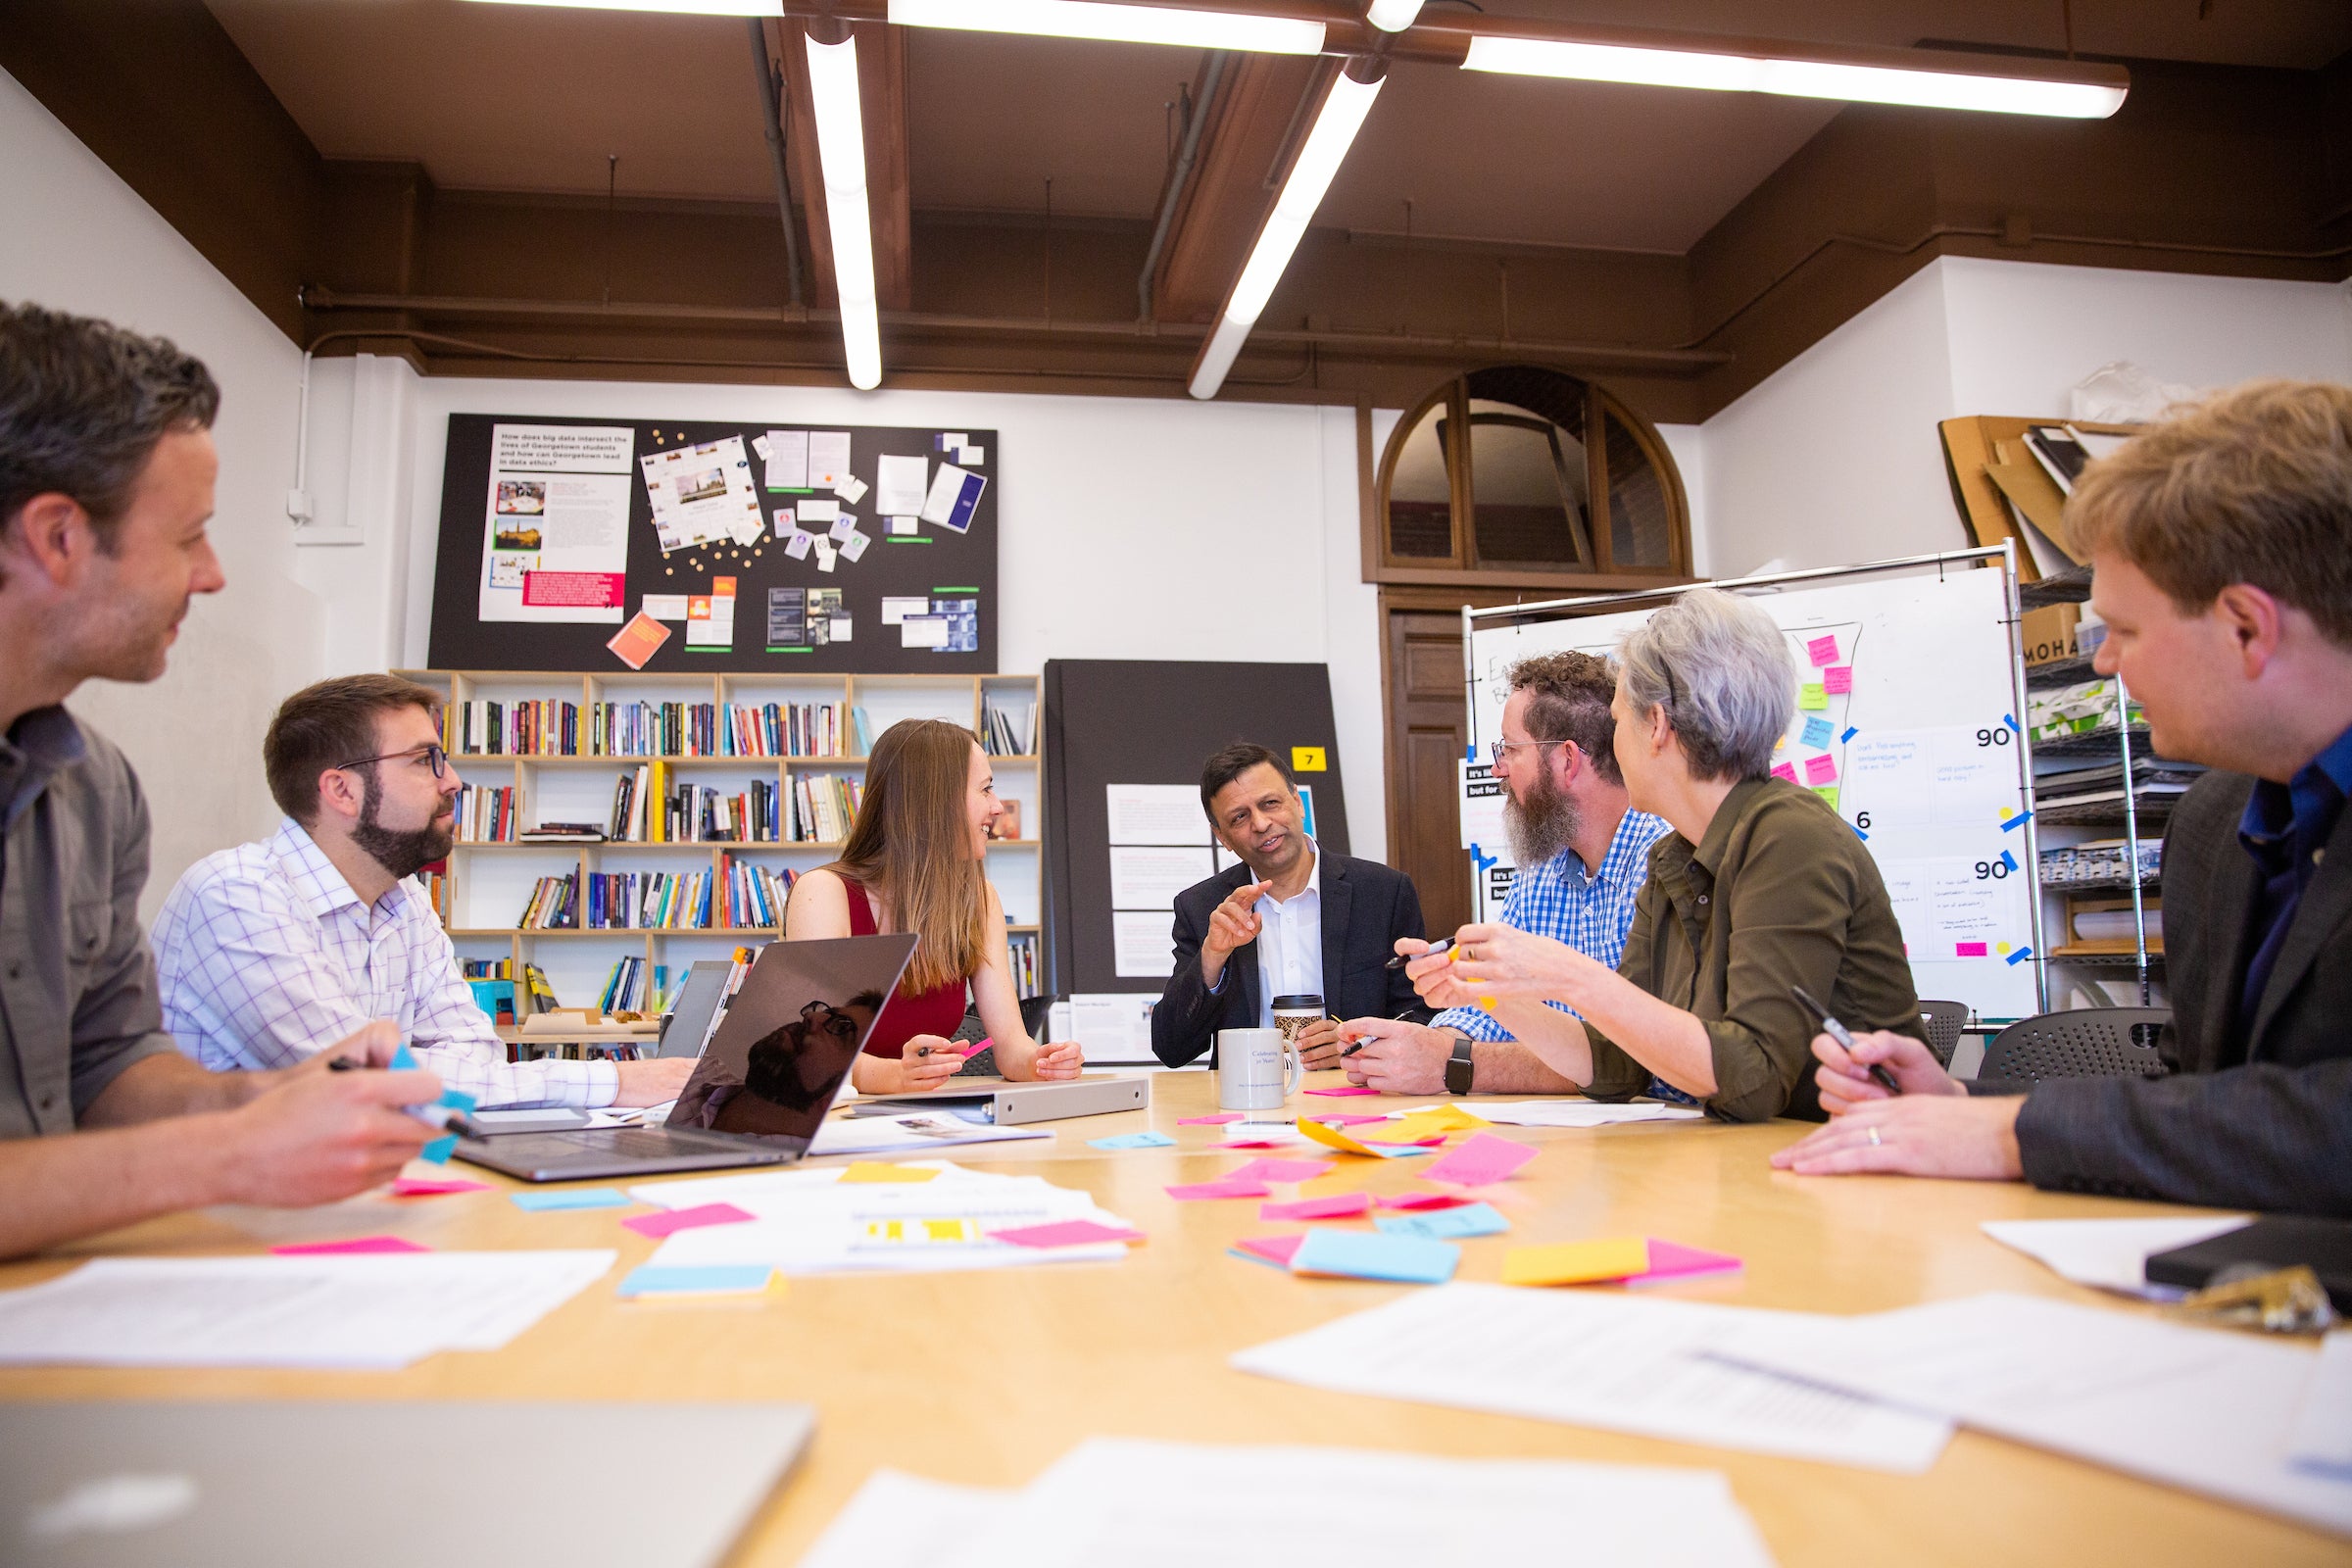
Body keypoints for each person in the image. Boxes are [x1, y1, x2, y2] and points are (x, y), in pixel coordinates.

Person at [1775, 380, 2352, 1213]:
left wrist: (2015, 1134)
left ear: (2246, 628)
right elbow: (2198, 1101)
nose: (2107, 665)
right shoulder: (2214, 826)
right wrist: (1959, 1112)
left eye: (2123, 630)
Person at [0, 299, 444, 1259]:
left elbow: (107, 1063)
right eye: (190, 535)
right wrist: (225, 1153)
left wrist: (271, 1094)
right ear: (58, 537)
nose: (212, 576)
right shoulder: (237, 889)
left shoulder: (95, 791)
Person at [1396, 590, 1928, 1120]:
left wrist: (1569, 977)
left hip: (1859, 1167)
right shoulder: (1675, 855)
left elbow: (1752, 1079)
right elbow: (1613, 1065)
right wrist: (1492, 993)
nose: (1612, 744)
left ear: (1657, 726)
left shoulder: (1790, 836)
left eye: (1619, 721)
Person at [151, 674, 695, 1109]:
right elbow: (356, 1083)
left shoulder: (403, 899)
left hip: (354, 1186)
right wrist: (615, 1081)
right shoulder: (236, 897)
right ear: (341, 790)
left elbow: (475, 1054)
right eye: (424, 760)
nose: (454, 780)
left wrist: (419, 1072)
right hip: (217, 1222)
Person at [1340, 652, 1670, 1095]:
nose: (1496, 769)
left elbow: (1633, 1061)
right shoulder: (1541, 870)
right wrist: (1417, 1047)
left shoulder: (1664, 865)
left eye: (1509, 750)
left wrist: (1451, 1064)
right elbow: (1489, 1010)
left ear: (1567, 761)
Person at [783, 717, 1084, 1094]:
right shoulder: (824, 893)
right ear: (934, 800)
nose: (997, 808)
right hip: (835, 1127)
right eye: (986, 789)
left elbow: (1010, 1046)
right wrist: (895, 1075)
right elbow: (814, 1050)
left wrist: (1041, 1063)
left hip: (927, 1120)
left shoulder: (980, 900)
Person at [1151, 742, 1429, 1069]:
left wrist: (1356, 1044)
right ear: (1221, 836)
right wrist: (1212, 958)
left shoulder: (1383, 893)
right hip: (1246, 1102)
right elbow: (1171, 1048)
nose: (1261, 823)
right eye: (1239, 817)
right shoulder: (1203, 909)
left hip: (1357, 1097)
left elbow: (1421, 1017)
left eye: (1270, 803)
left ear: (1297, 802)